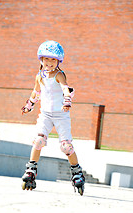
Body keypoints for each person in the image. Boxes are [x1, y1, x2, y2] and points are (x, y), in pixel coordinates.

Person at [21, 40, 85, 195]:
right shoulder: (39, 76)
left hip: (61, 115)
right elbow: (36, 92)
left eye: (53, 60)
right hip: (46, 114)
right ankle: (31, 169)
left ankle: (77, 172)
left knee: (66, 146)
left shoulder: (59, 74)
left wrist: (67, 100)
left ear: (58, 61)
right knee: (39, 140)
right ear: (41, 59)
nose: (49, 63)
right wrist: (30, 104)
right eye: (46, 59)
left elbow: (65, 88)